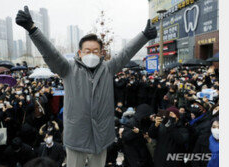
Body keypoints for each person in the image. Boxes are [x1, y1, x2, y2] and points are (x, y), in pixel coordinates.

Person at [16, 6, 157, 167]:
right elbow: (51, 53)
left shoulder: (108, 69)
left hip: (101, 137)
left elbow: (125, 53)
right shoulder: (67, 69)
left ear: (101, 53)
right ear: (80, 52)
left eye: (95, 51)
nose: (92, 54)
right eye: (87, 50)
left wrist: (144, 36)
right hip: (76, 137)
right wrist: (33, 30)